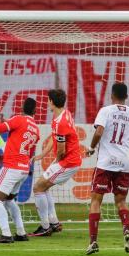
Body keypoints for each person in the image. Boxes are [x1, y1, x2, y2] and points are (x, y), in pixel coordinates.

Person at [85, 83, 129, 255]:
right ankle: (126, 231)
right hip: (125, 163)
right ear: (126, 96)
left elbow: (98, 132)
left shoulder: (106, 111)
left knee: (96, 201)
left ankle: (93, 242)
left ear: (112, 95)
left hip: (105, 162)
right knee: (121, 201)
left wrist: (92, 147)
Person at [29, 89, 82, 237]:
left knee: (38, 187)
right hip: (68, 160)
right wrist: (43, 155)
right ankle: (54, 222)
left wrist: (56, 162)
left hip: (68, 161)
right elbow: (56, 140)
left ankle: (46, 227)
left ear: (52, 101)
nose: (47, 102)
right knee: (43, 188)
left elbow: (61, 150)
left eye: (48, 100)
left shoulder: (61, 122)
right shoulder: (64, 114)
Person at [0, 97, 40, 243]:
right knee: (9, 200)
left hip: (12, 167)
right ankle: (20, 232)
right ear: (35, 111)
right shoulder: (36, 129)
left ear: (21, 109)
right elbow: (31, 151)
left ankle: (6, 234)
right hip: (24, 169)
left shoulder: (18, 119)